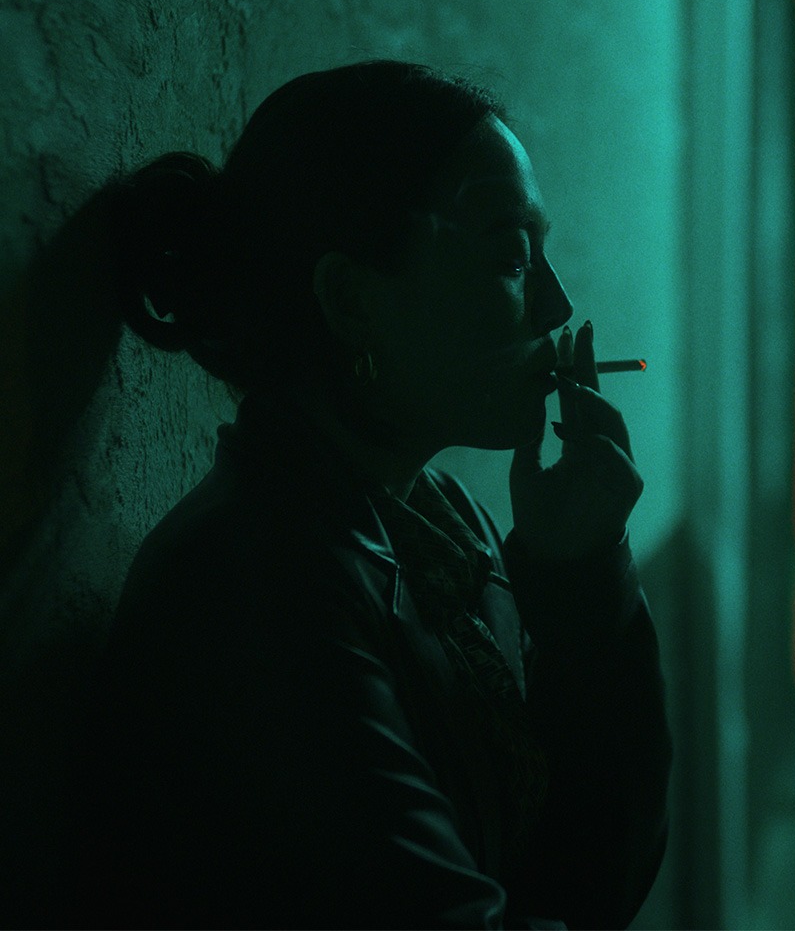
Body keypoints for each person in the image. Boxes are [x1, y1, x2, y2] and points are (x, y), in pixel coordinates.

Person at [71, 61, 672, 929]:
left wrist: (579, 576)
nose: (556, 302)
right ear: (353, 300)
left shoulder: (440, 527)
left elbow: (587, 883)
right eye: (510, 255)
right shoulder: (253, 590)